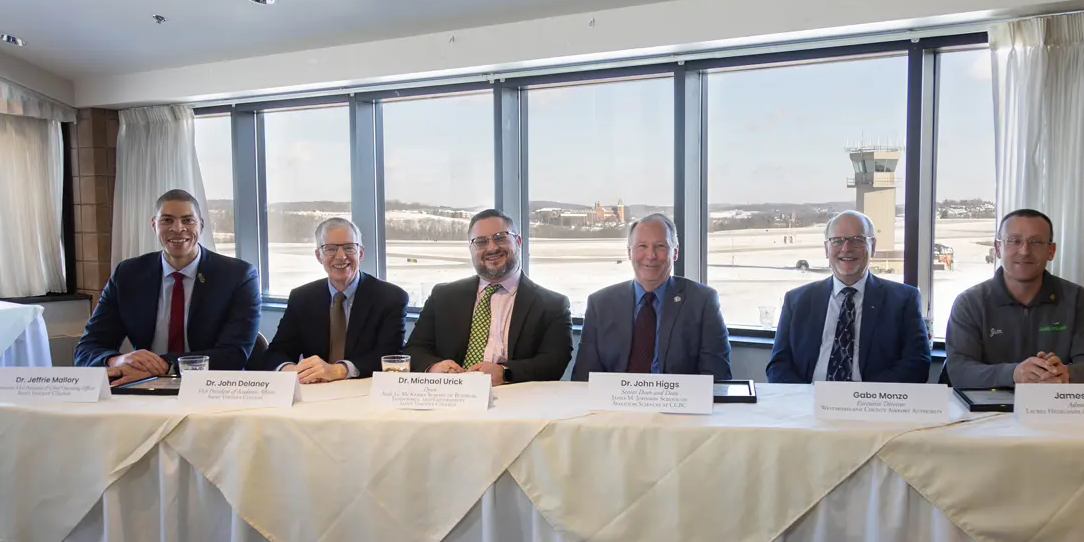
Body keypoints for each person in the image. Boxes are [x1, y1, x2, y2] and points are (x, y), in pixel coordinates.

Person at [74, 189, 260, 385]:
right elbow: (88, 348)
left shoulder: (237, 276)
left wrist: (165, 366)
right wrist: (116, 360)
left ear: (201, 225)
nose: (178, 229)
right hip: (142, 386)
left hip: (212, 389)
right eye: (167, 220)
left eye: (188, 220)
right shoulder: (128, 274)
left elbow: (233, 355)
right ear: (154, 225)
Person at [404, 209, 572, 384]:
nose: (492, 248)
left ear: (518, 241)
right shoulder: (443, 297)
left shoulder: (552, 305)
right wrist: (434, 367)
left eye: (500, 237)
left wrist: (505, 373)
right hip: (450, 398)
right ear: (471, 249)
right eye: (481, 242)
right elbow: (414, 349)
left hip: (516, 401)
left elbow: (554, 363)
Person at [946, 208, 1084, 387]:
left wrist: (1065, 374)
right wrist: (1014, 373)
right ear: (998, 248)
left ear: (1051, 251)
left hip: (1057, 406)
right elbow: (959, 371)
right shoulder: (970, 303)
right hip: (987, 411)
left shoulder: (1076, 299)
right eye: (1014, 241)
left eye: (1036, 242)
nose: (1024, 251)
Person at [766, 211, 930, 384]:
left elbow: (917, 365)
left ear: (872, 246)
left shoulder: (903, 300)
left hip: (873, 405)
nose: (846, 248)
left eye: (857, 240)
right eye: (837, 241)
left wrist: (860, 398)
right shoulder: (797, 300)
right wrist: (806, 399)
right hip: (807, 403)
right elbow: (778, 365)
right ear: (826, 248)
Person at [571, 213, 732, 381]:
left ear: (675, 253)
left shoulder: (702, 302)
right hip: (614, 405)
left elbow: (717, 378)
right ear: (629, 252)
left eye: (661, 246)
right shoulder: (600, 304)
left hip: (679, 405)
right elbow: (584, 380)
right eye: (642, 246)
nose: (651, 255)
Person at [263, 218, 408, 382]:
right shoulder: (302, 298)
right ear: (319, 256)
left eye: (349, 248)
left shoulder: (390, 297)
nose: (341, 256)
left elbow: (390, 356)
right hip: (315, 393)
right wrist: (291, 370)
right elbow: (277, 352)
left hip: (364, 393)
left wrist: (338, 370)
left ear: (360, 254)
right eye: (330, 249)